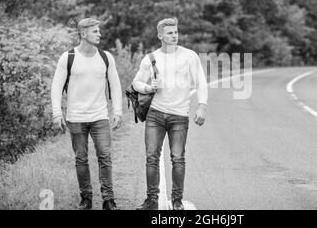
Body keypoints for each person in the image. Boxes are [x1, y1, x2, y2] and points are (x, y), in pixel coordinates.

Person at [132, 17, 208, 210]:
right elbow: (136, 83)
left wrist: (202, 106)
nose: (174, 36)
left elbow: (200, 81)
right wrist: (149, 87)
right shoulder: (151, 58)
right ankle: (151, 200)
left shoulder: (190, 56)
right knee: (151, 158)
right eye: (170, 33)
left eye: (176, 32)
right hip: (155, 114)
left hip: (179, 116)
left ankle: (177, 201)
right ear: (160, 36)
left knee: (178, 158)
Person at [50, 18, 123, 210]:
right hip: (76, 118)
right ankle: (86, 198)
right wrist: (57, 113)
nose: (99, 34)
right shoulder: (68, 57)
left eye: (99, 31)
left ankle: (108, 199)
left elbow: (115, 86)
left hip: (100, 117)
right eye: (95, 31)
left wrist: (117, 111)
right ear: (83, 34)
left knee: (105, 157)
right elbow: (56, 87)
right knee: (81, 159)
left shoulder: (106, 57)